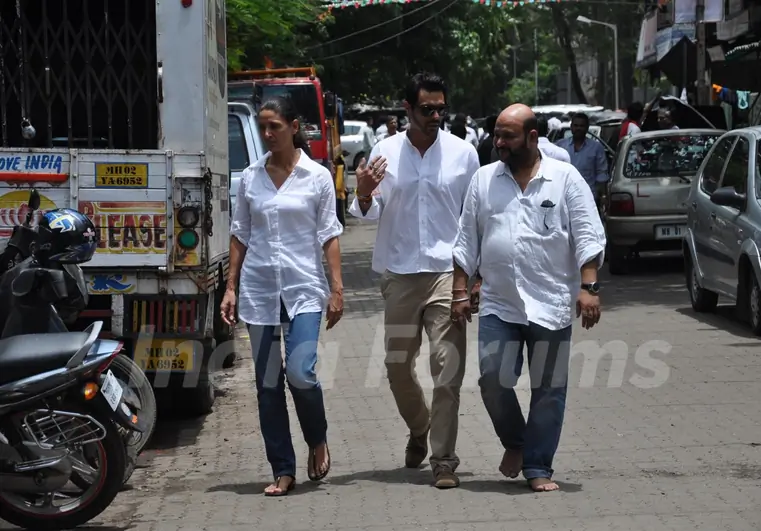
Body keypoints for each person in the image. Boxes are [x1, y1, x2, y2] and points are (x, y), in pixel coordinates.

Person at [451, 103, 605, 493]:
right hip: (500, 302)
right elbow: (466, 240)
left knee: (549, 388)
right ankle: (517, 442)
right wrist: (459, 292)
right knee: (492, 379)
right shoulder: (484, 180)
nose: (498, 142)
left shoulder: (564, 178)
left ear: (533, 138)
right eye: (497, 134)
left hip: (550, 302)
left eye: (508, 136)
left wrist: (588, 288)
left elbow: (588, 234)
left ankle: (538, 466)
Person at [348, 72, 480, 489]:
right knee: (397, 367)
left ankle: (443, 459)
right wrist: (365, 193)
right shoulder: (384, 152)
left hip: (448, 274)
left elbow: (475, 219)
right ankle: (419, 427)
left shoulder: (464, 154)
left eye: (441, 108)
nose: (436, 116)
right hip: (401, 275)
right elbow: (366, 212)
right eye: (427, 109)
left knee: (447, 368)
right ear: (408, 110)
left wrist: (476, 278)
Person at [222, 95, 345, 497]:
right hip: (259, 290)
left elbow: (329, 233)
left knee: (301, 372)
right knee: (268, 384)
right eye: (263, 127)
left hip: (305, 288)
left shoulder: (317, 176)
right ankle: (283, 469)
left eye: (275, 125)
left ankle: (317, 436)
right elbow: (241, 233)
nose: (268, 133)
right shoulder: (251, 177)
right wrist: (230, 286)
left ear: (295, 127)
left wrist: (337, 287)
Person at [556, 112, 609, 201]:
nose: (578, 128)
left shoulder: (596, 148)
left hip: (588, 198)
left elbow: (601, 174)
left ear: (587, 128)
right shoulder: (560, 146)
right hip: (564, 197)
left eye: (582, 126)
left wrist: (603, 197)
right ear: (571, 127)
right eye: (576, 125)